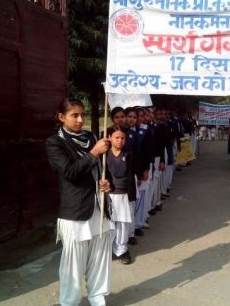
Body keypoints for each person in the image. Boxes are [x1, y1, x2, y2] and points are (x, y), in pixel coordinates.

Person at [45, 98, 114, 306]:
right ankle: (69, 302)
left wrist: (105, 182)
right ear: (61, 117)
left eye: (82, 114)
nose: (80, 119)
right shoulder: (55, 142)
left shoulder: (90, 136)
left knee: (100, 256)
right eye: (74, 115)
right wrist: (94, 152)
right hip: (75, 211)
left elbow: (101, 167)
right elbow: (70, 172)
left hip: (98, 206)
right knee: (73, 263)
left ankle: (97, 296)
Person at [106, 126, 136, 265]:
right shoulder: (104, 155)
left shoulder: (128, 155)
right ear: (110, 137)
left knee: (122, 223)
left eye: (122, 138)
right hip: (108, 194)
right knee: (109, 223)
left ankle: (121, 250)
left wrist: (131, 194)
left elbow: (131, 176)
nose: (119, 140)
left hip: (123, 194)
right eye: (117, 137)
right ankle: (107, 249)